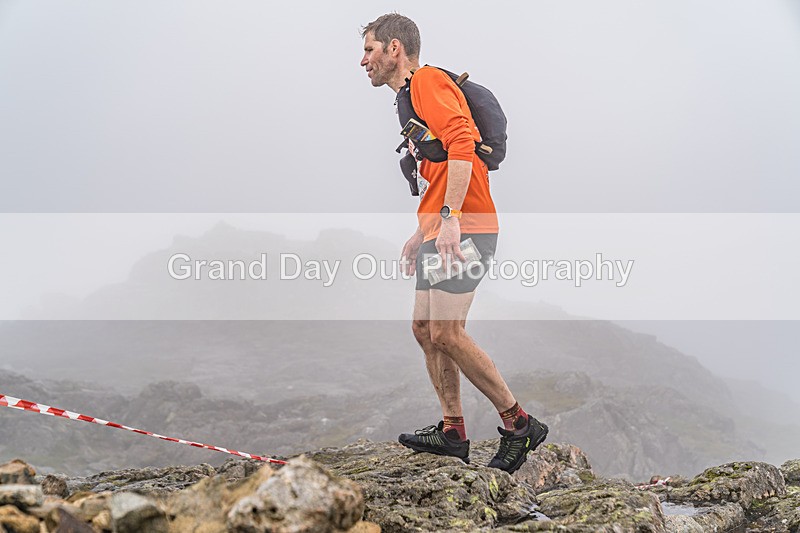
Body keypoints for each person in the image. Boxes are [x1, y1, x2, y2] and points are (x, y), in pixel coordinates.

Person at [359, 13, 548, 474]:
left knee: (446, 332)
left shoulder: (425, 82)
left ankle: (520, 424)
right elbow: (440, 168)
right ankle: (452, 431)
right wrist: (422, 230)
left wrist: (451, 219)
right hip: (443, 229)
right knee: (425, 330)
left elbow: (463, 145)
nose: (363, 60)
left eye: (369, 49)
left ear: (394, 49)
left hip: (467, 227)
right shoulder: (408, 97)